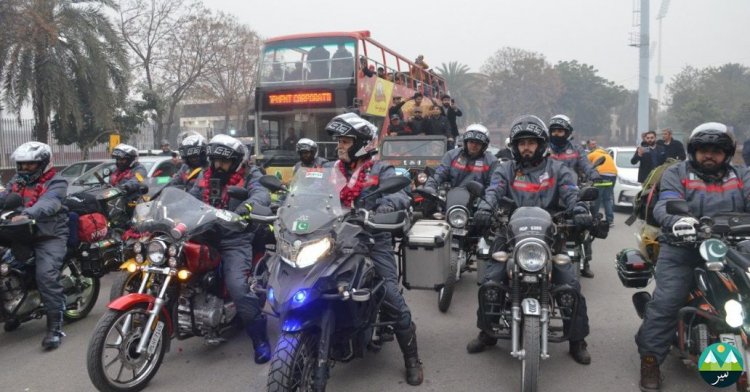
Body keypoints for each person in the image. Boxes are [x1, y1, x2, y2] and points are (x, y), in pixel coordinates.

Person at [469, 115, 592, 365]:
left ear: (541, 145)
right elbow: (493, 190)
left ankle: (577, 340)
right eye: (522, 143)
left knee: (569, 285)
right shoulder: (505, 169)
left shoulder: (558, 170)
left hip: (550, 236)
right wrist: (484, 208)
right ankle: (488, 331)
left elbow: (570, 194)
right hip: (509, 235)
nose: (526, 147)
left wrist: (579, 210)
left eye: (531, 143)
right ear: (515, 146)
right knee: (491, 281)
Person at [635, 122, 750, 392]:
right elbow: (666, 203)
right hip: (683, 246)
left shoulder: (741, 175)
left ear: (727, 152)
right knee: (667, 300)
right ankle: (650, 359)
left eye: (717, 150)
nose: (709, 155)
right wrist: (677, 220)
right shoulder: (678, 173)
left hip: (731, 246)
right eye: (703, 150)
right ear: (693, 151)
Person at [325, 113, 423, 386]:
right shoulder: (329, 169)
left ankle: (412, 358)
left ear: (361, 144)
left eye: (345, 141)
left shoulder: (381, 170)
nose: (340, 146)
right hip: (334, 240)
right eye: (339, 141)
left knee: (390, 297)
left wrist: (384, 208)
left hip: (371, 239)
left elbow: (399, 194)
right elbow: (306, 192)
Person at [188, 134, 272, 364]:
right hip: (203, 234)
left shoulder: (250, 174)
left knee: (238, 286)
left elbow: (262, 193)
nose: (218, 166)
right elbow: (191, 197)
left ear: (236, 161)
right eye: (214, 161)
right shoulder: (205, 176)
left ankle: (260, 340)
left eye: (223, 162)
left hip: (234, 238)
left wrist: (247, 207)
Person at [0, 142, 69, 349]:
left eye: (30, 165)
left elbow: (48, 203)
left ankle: (55, 327)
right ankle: (11, 309)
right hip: (20, 232)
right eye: (21, 165)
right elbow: (4, 197)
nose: (24, 169)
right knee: (6, 267)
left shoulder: (57, 182)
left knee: (46, 276)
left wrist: (26, 214)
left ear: (44, 164)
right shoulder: (17, 181)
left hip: (48, 235)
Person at [424, 123, 496, 191]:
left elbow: (494, 185)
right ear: (466, 142)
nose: (474, 145)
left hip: (479, 201)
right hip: (452, 198)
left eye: (478, 143)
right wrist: (430, 187)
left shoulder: (492, 161)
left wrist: (488, 200)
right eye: (471, 142)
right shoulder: (451, 155)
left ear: (484, 145)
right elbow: (439, 173)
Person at [547, 115, 602, 183]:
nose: (556, 134)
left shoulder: (576, 149)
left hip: (571, 187)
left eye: (560, 131)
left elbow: (586, 164)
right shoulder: (544, 149)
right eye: (554, 131)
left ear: (567, 133)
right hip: (547, 188)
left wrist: (594, 174)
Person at [587, 145, 617, 227]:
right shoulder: (607, 155)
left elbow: (585, 165)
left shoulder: (592, 154)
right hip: (613, 175)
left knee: (597, 198)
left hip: (601, 175)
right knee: (607, 198)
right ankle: (610, 221)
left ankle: (594, 218)